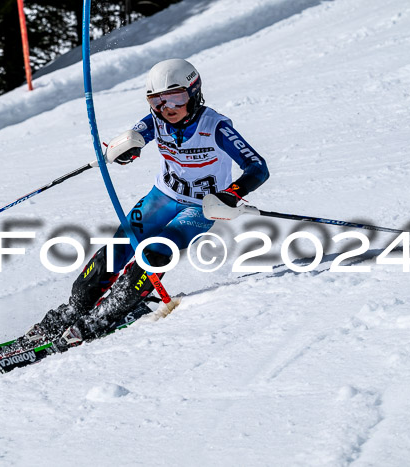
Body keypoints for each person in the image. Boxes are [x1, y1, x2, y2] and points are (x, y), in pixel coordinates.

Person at [28, 58, 270, 347]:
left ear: (193, 93)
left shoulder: (215, 127)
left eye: (176, 99)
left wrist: (230, 195)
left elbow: (258, 167)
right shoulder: (156, 121)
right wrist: (126, 149)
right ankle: (75, 308)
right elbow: (135, 137)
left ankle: (104, 316)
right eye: (156, 101)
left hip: (200, 208)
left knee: (155, 252)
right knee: (120, 244)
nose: (167, 109)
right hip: (162, 197)